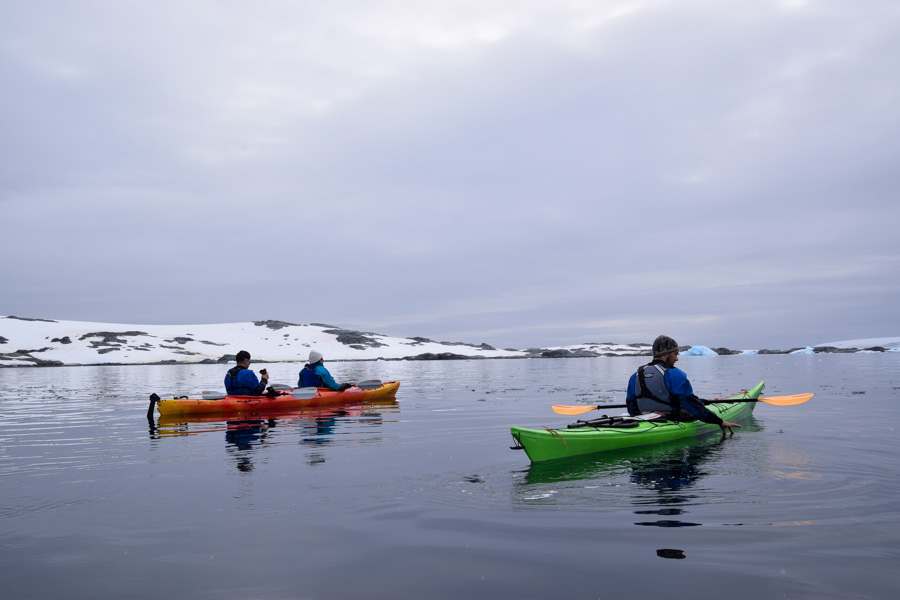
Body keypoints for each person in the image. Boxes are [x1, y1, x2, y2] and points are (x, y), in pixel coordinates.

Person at [626, 335, 741, 436]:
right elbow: (692, 405)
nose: (677, 358)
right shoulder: (674, 374)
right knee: (691, 406)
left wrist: (639, 417)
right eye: (675, 354)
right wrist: (719, 421)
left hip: (641, 418)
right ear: (666, 354)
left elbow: (631, 406)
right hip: (670, 418)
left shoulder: (635, 375)